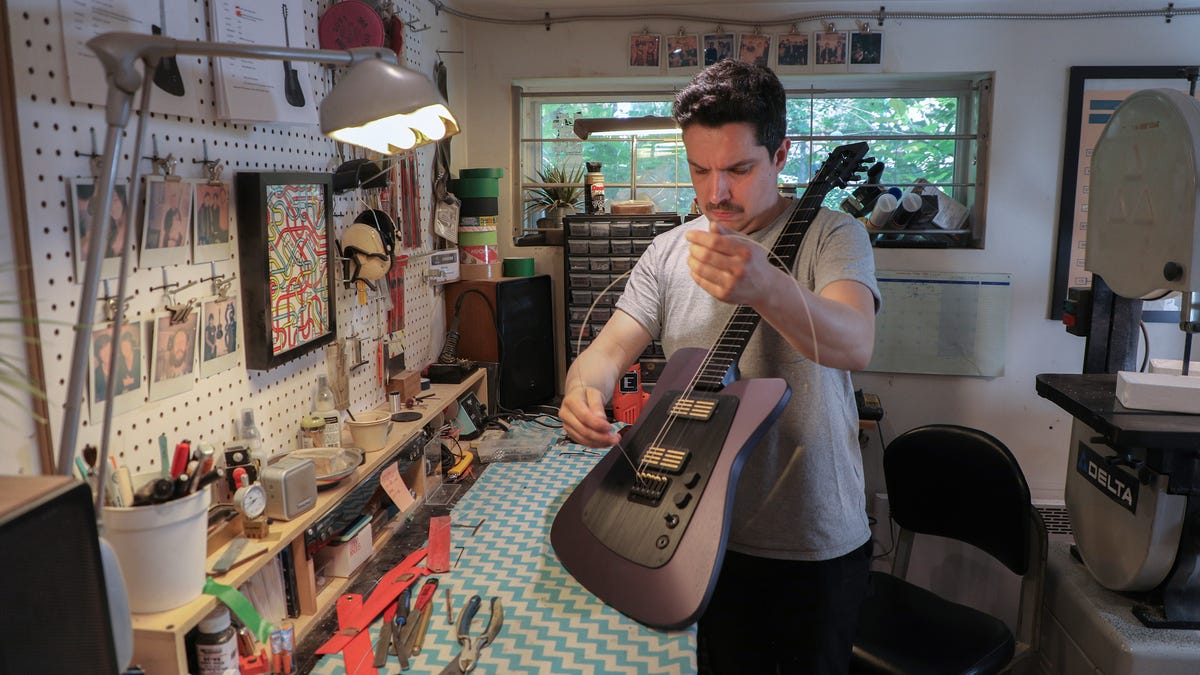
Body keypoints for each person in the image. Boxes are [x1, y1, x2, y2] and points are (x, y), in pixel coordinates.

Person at [558, 60, 880, 675]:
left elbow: (855, 342)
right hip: (695, 534)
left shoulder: (833, 236)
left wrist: (766, 286)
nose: (714, 194)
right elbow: (609, 348)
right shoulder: (669, 249)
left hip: (811, 539)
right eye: (699, 170)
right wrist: (582, 389)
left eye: (737, 169)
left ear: (780, 153)